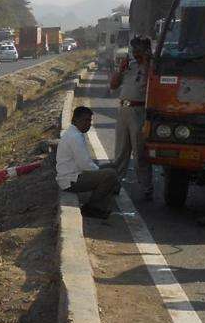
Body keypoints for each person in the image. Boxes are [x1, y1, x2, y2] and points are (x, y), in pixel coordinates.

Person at [110, 35, 154, 199]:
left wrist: (148, 61)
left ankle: (146, 188)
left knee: (140, 152)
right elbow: (113, 85)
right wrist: (120, 69)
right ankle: (114, 184)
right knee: (121, 152)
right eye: (134, 48)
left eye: (139, 49)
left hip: (139, 111)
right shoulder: (130, 66)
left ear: (147, 50)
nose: (135, 52)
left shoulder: (152, 67)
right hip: (124, 110)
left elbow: (154, 82)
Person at [57, 105, 119, 218]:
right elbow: (85, 164)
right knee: (110, 174)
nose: (88, 124)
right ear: (75, 120)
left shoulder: (74, 133)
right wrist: (100, 172)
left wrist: (99, 171)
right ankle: (93, 207)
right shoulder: (74, 137)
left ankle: (104, 201)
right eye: (85, 120)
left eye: (90, 120)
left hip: (74, 175)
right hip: (71, 180)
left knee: (112, 167)